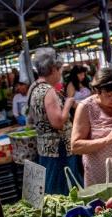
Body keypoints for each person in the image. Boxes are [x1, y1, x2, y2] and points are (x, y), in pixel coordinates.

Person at [27, 47, 81, 195]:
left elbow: (31, 118)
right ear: (53, 69)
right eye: (60, 69)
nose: (60, 73)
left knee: (51, 189)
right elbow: (57, 122)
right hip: (59, 150)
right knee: (66, 189)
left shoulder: (34, 87)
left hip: (44, 148)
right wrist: (69, 103)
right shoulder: (48, 91)